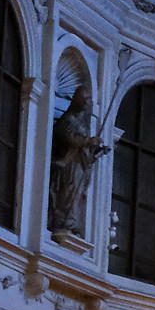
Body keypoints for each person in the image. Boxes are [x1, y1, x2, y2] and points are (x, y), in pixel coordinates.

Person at [49, 81, 108, 238]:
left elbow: (85, 150)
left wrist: (98, 151)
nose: (88, 102)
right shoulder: (69, 118)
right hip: (68, 164)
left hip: (80, 165)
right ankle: (64, 222)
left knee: (78, 194)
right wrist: (89, 141)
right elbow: (69, 136)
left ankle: (72, 223)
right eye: (86, 98)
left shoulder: (83, 122)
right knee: (68, 192)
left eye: (89, 99)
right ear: (78, 100)